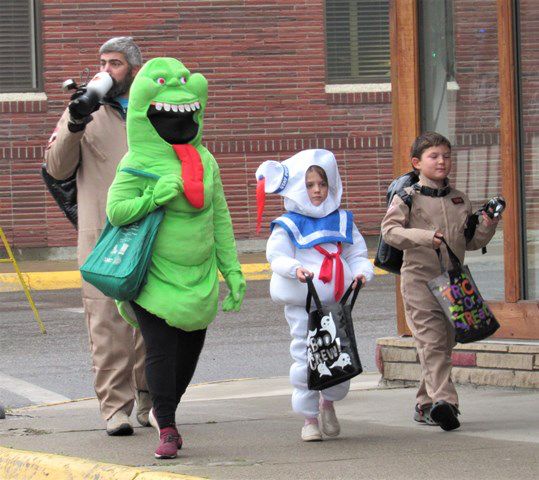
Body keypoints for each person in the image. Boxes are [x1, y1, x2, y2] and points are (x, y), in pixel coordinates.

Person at [106, 57, 246, 459]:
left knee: (188, 353)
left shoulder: (206, 160)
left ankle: (168, 408)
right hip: (153, 277)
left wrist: (232, 271)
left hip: (198, 278)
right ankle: (166, 425)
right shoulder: (137, 161)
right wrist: (155, 196)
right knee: (162, 350)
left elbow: (220, 218)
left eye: (184, 83)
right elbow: (116, 212)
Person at [44, 37, 151, 436]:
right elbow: (56, 168)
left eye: (116, 64)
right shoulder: (84, 110)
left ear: (135, 71)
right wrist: (75, 121)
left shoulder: (152, 110)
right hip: (102, 235)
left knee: (150, 321)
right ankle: (114, 408)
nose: (107, 70)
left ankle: (149, 400)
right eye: (102, 62)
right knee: (106, 323)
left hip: (149, 231)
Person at [381, 131, 499, 431]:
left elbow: (469, 242)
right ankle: (446, 403)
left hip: (452, 284)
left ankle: (424, 403)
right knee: (432, 342)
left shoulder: (459, 198)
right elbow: (390, 231)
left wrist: (488, 223)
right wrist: (424, 237)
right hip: (419, 281)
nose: (442, 161)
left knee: (444, 344)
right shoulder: (407, 197)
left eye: (446, 155)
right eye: (434, 156)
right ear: (417, 162)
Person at [258, 149, 374, 442]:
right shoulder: (289, 223)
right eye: (310, 185)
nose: (317, 191)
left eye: (322, 184)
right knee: (305, 354)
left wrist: (362, 272)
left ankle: (328, 404)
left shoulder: (343, 220)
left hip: (336, 303)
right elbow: (276, 255)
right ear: (299, 187)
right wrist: (294, 268)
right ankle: (309, 419)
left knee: (338, 355)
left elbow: (356, 252)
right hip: (304, 304)